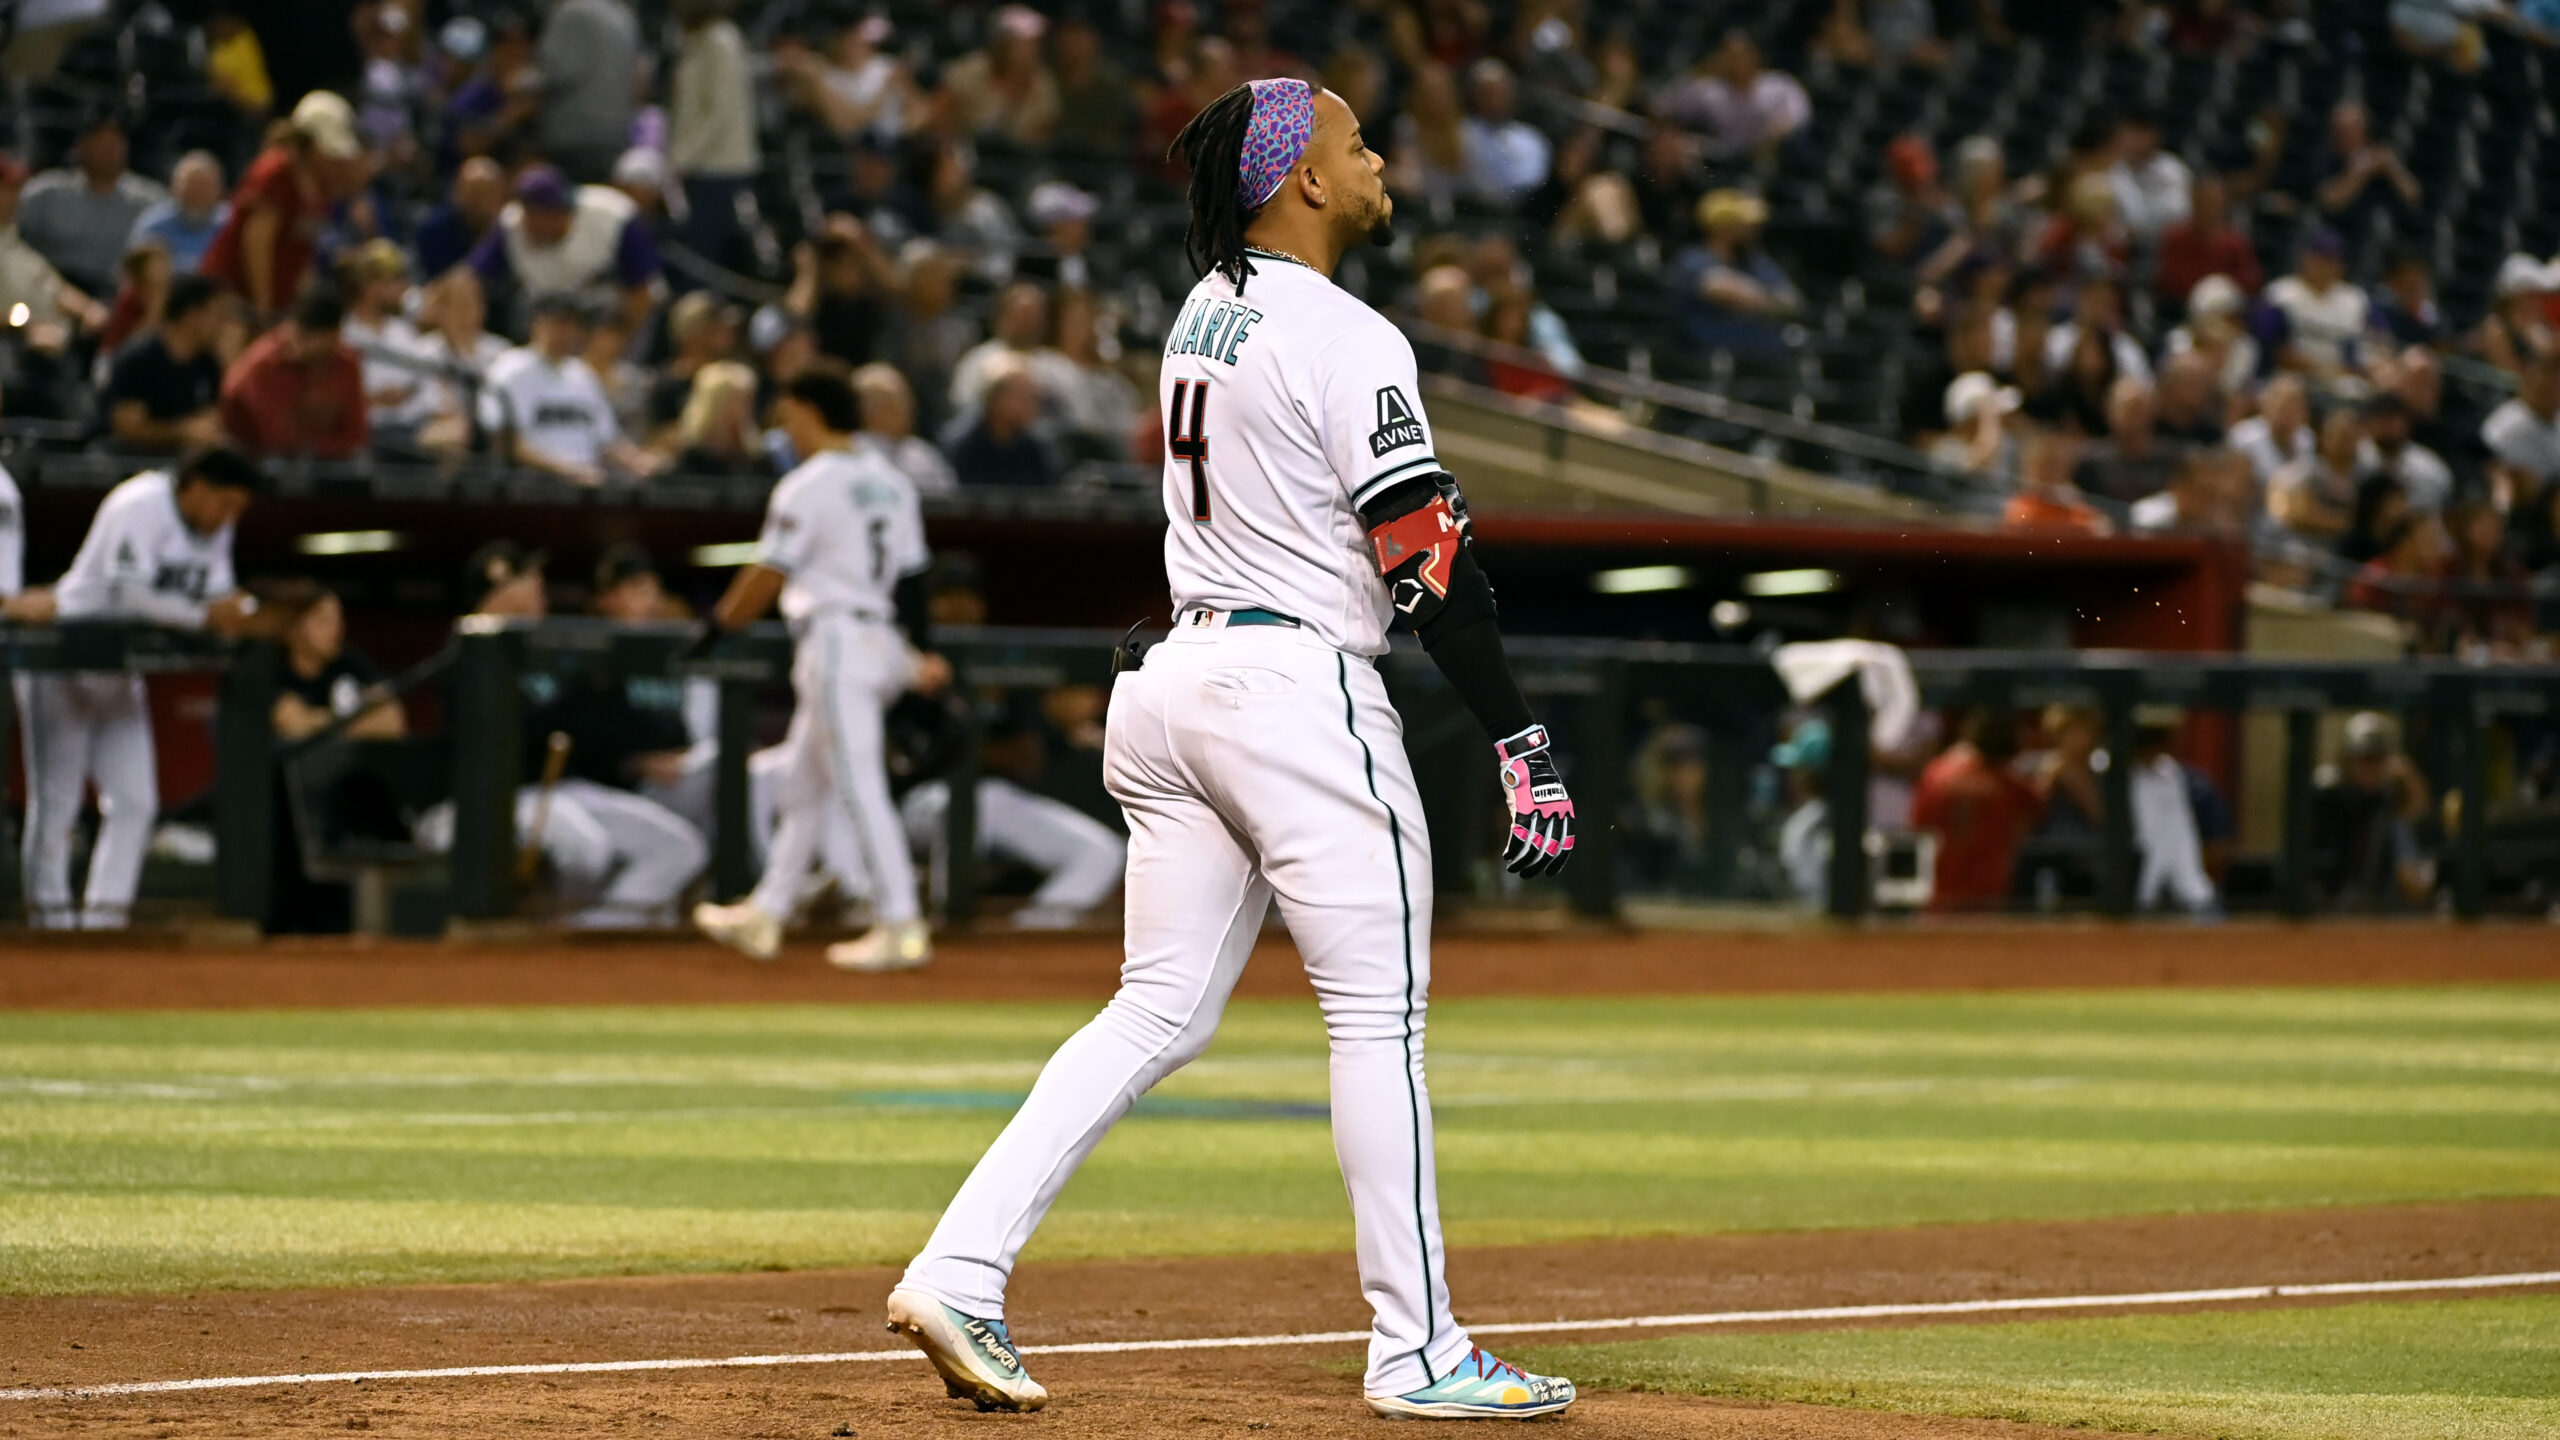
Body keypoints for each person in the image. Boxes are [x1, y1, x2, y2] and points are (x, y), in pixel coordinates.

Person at [883, 77, 1578, 1423]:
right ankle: (1420, 1349)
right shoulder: (1348, 330)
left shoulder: (1204, 310)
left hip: (1179, 678)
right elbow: (1427, 557)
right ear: (1303, 181)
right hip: (1294, 688)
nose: (1377, 157)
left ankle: (961, 1267)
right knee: (1378, 1020)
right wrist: (1519, 735)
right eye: (1355, 141)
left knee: (1155, 1009)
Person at [690, 365, 946, 971]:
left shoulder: (809, 483)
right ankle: (767, 912)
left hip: (836, 640)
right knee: (806, 786)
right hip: (880, 637)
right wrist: (923, 650)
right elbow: (914, 579)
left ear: (808, 410)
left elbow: (767, 573)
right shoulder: (891, 480)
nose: (786, 428)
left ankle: (901, 921)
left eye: (789, 415)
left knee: (859, 785)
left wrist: (715, 629)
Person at [18, 448, 266, 928]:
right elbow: (128, 594)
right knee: (57, 803)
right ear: (194, 485)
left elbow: (220, 593)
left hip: (118, 668)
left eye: (238, 507)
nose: (228, 517)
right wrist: (202, 616)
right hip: (66, 652)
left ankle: (102, 923)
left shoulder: (218, 524)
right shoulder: (140, 502)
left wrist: (247, 610)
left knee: (136, 802)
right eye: (224, 503)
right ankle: (47, 925)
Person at [199, 91, 364, 322]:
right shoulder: (275, 171)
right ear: (306, 141)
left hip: (279, 303)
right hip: (231, 297)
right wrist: (262, 309)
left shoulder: (324, 187)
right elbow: (257, 244)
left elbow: (304, 248)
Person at [478, 293, 665, 485]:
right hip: (529, 486)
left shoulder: (582, 375)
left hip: (585, 484)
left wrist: (638, 461)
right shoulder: (509, 369)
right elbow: (507, 443)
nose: (565, 332)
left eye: (571, 325)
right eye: (558, 323)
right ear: (537, 323)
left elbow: (607, 439)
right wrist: (567, 470)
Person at [469, 164, 662, 336]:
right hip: (543, 316)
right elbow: (471, 280)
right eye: (529, 212)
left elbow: (643, 292)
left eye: (543, 213)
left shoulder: (613, 216)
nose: (534, 222)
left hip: (606, 314)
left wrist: (608, 347)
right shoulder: (511, 224)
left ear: (562, 210)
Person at [16, 110, 167, 302]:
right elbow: (12, 242)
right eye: (100, 141)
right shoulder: (46, 194)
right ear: (80, 147)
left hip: (121, 299)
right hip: (53, 293)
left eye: (115, 141)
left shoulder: (150, 201)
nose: (109, 149)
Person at [1911, 707, 2039, 913]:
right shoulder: (2012, 783)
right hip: (1989, 893)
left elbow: (1917, 823)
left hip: (1943, 890)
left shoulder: (1937, 773)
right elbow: (2031, 819)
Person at [218, 291, 368, 461]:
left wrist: (323, 447)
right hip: (258, 463)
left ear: (332, 338)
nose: (295, 344)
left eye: (306, 338)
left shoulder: (346, 363)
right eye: (295, 334)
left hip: (326, 462)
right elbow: (274, 438)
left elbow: (355, 432)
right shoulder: (261, 365)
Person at [2310, 711, 2434, 908]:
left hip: (2375, 906)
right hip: (2329, 906)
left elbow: (2418, 808)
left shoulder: (2388, 797)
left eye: (2377, 759)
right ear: (2347, 760)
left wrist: (2407, 776)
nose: (2371, 768)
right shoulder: (2328, 796)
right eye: (2364, 759)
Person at [668, 0, 759, 264]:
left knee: (703, 259)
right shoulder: (695, 41)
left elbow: (719, 112)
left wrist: (680, 159)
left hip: (719, 169)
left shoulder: (721, 42)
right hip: (698, 168)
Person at [100, 273, 228, 455]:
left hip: (183, 465)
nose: (223, 323)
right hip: (131, 463)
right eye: (218, 314)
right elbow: (127, 427)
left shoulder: (208, 363)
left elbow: (211, 413)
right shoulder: (139, 358)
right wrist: (182, 431)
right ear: (192, 315)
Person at [1671, 188, 1802, 356]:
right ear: (1723, 227)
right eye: (1744, 225)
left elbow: (1792, 301)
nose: (1753, 231)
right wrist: (1767, 300)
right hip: (1705, 357)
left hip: (1760, 353)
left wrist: (1754, 297)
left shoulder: (1755, 262)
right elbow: (1724, 291)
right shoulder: (1693, 259)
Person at [1656, 30, 1810, 165]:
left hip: (1764, 159)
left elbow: (1800, 116)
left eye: (1739, 55)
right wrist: (1704, 69)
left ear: (1754, 56)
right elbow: (1664, 106)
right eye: (1728, 55)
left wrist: (1775, 134)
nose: (1733, 61)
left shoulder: (1778, 86)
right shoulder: (1711, 91)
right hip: (1721, 158)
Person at [527, 0, 640, 183]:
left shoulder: (572, 12)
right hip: (614, 138)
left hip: (573, 138)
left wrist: (518, 82)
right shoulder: (623, 15)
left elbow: (556, 72)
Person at [2153, 173, 2260, 312]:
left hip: (2226, 312)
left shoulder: (2235, 242)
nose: (2210, 207)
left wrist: (2220, 290)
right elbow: (2169, 282)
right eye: (2204, 201)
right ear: (2193, 202)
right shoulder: (2175, 238)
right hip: (2182, 311)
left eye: (2214, 201)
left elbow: (2250, 282)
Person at [854, 362, 957, 497]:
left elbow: (951, 499)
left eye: (907, 402)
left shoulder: (921, 453)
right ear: (867, 410)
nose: (907, 411)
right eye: (893, 405)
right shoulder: (852, 452)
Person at [1456, 59, 1548, 209]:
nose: (1496, 100)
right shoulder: (1461, 133)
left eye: (1502, 92)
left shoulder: (1530, 137)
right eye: (1488, 93)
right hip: (1474, 210)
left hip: (1523, 212)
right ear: (1474, 96)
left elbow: (1534, 180)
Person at [948, 363, 1057, 488]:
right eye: (1023, 398)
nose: (1033, 406)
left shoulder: (1035, 451)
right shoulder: (966, 448)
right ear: (996, 399)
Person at [125, 152, 228, 277]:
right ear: (174, 188)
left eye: (204, 186)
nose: (197, 194)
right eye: (191, 186)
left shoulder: (228, 224)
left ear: (219, 190)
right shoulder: (154, 226)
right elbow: (136, 273)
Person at [2482, 353, 2560, 517]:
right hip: (2524, 516)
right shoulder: (2504, 426)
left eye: (2554, 383)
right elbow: (2496, 476)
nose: (2549, 390)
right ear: (2526, 383)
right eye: (2542, 383)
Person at [2357, 392, 2453, 516]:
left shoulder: (2428, 468)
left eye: (2392, 420)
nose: (2387, 427)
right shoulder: (2356, 455)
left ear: (2407, 424)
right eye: (2381, 419)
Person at [412, 158, 508, 280]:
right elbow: (444, 279)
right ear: (457, 193)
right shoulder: (434, 231)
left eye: (487, 192)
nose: (479, 201)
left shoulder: (511, 229)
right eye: (473, 193)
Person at [2106, 110, 2191, 244]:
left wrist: (2138, 229)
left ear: (2155, 136)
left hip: (2165, 246)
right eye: (2129, 133)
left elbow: (2177, 213)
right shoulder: (2112, 170)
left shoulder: (2171, 169)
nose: (2134, 141)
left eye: (2141, 134)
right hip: (2123, 247)